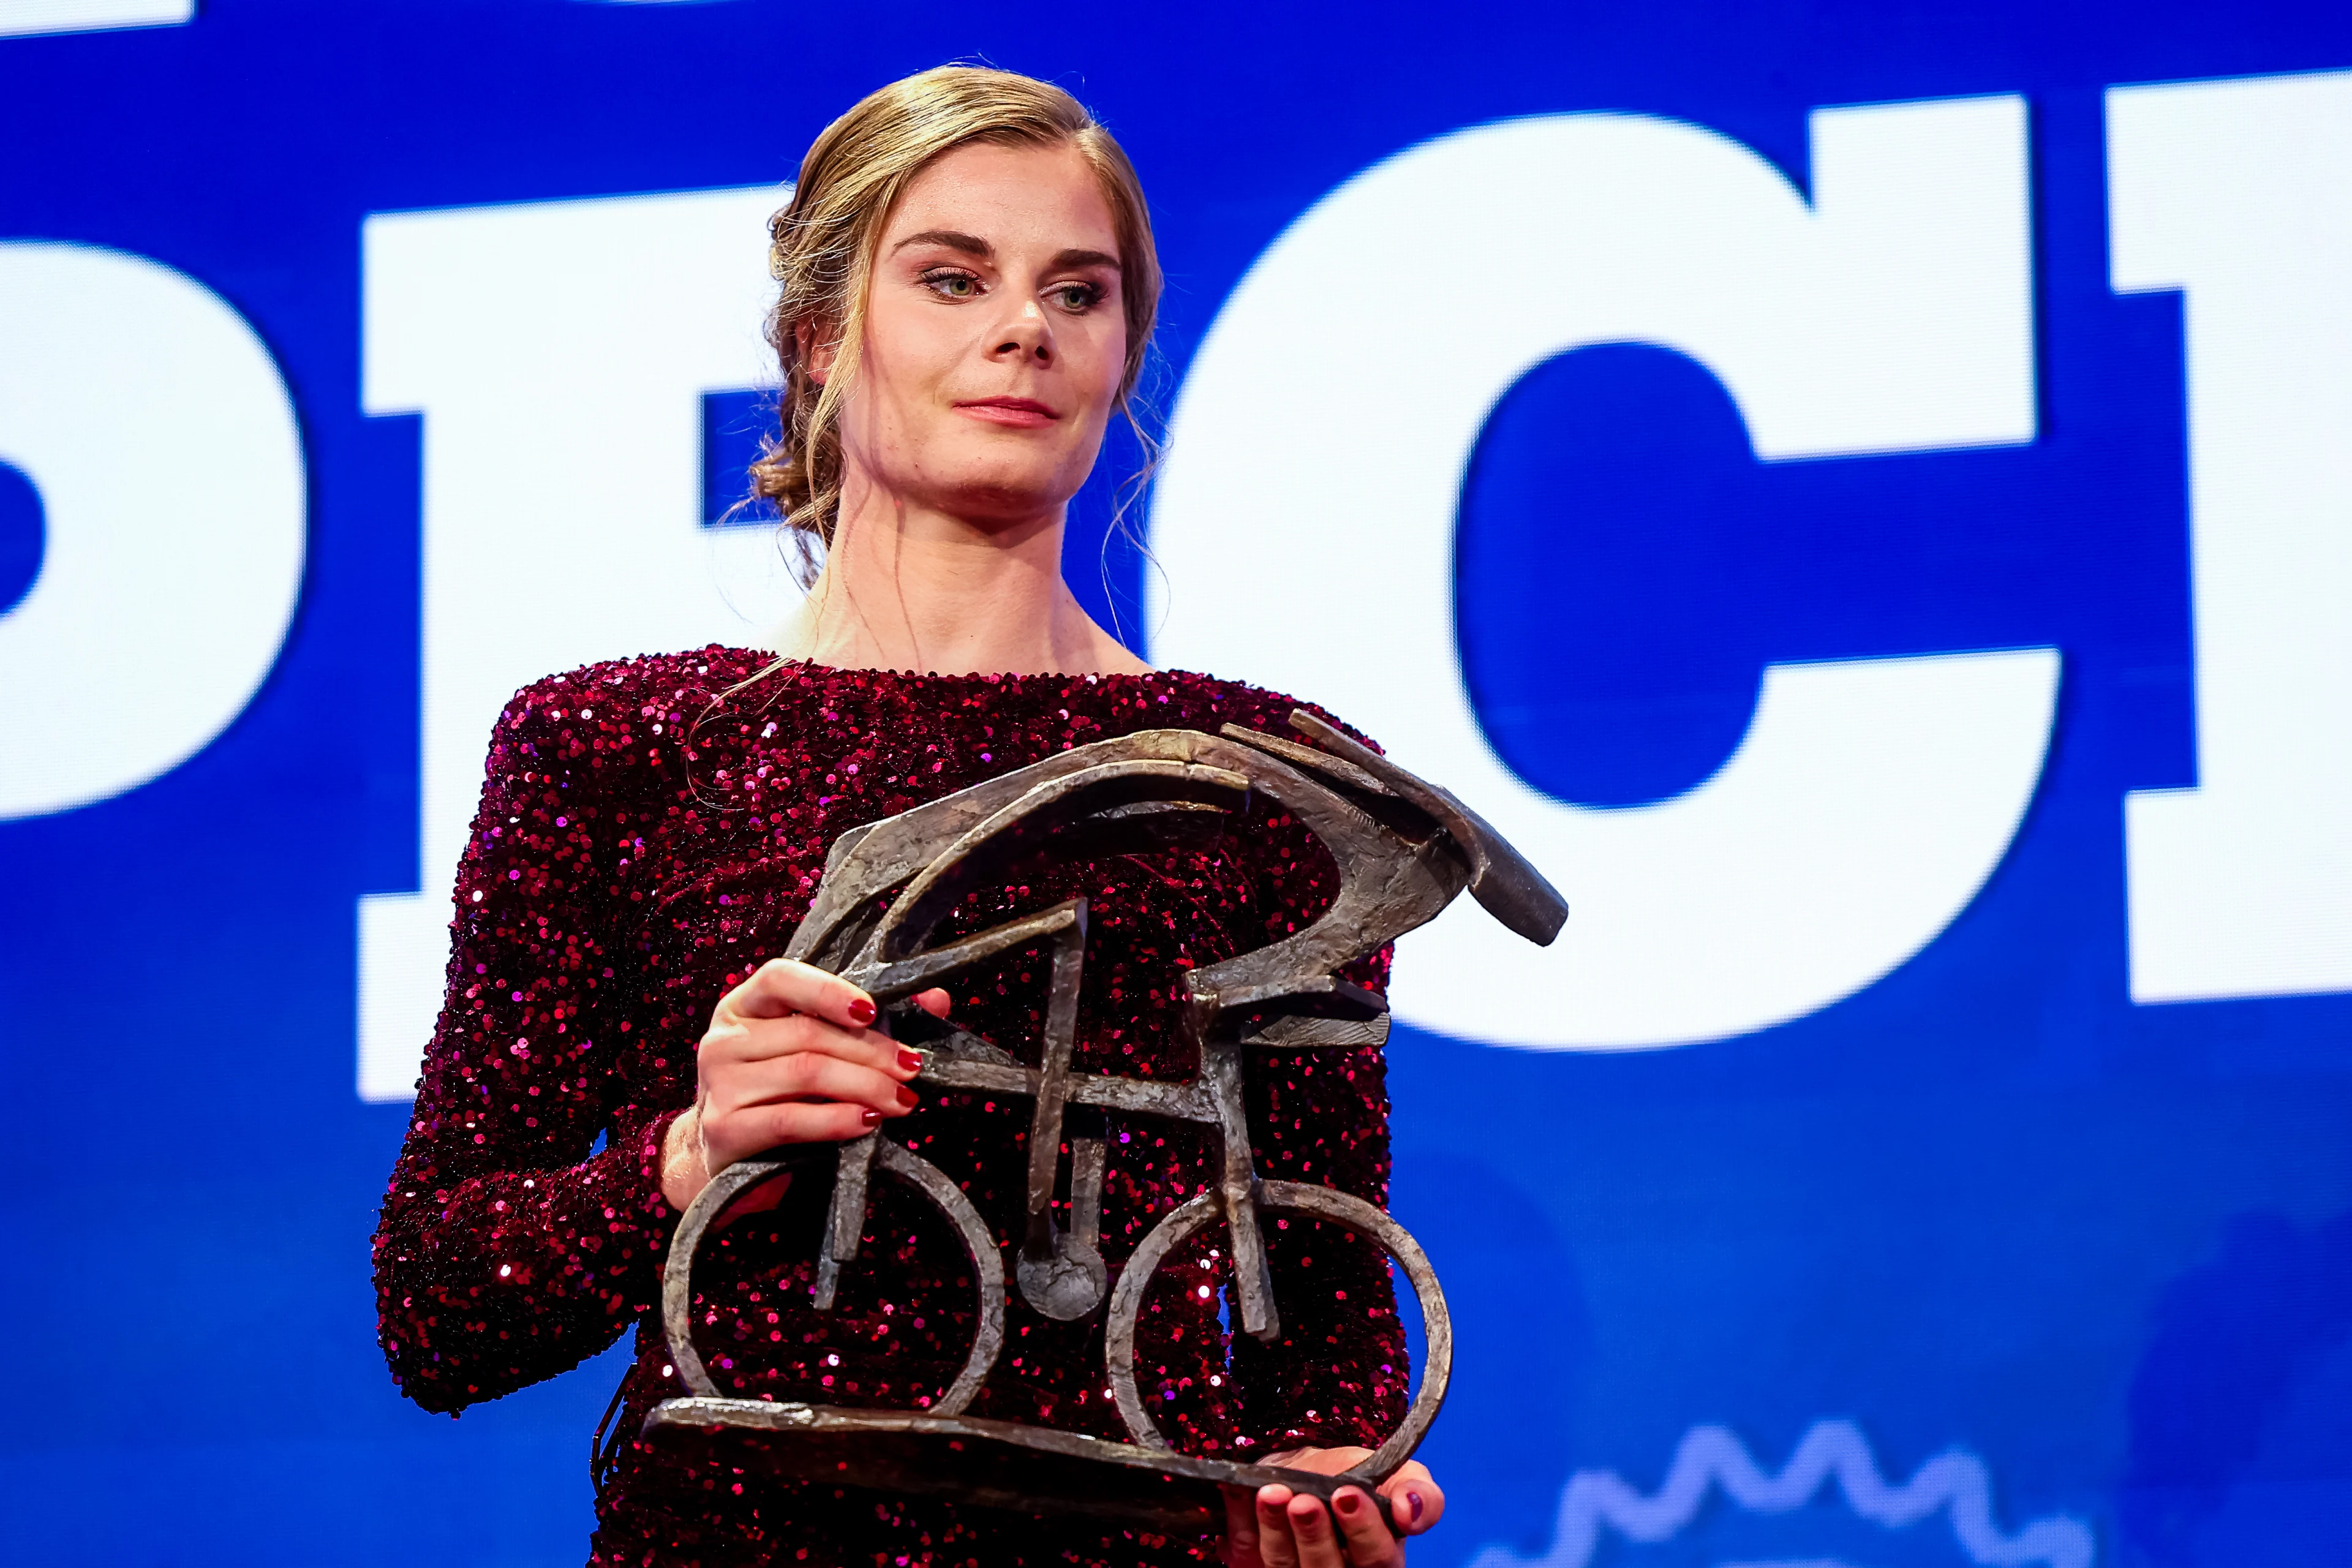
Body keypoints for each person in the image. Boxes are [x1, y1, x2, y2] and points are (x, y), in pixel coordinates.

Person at [372, 65, 1445, 1568]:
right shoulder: (618, 747)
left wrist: (1332, 1485)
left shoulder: (1266, 779)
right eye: (953, 278)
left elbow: (1327, 1332)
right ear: (821, 342)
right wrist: (690, 1152)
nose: (1025, 328)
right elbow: (439, 1309)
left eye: (1079, 293)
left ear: (1123, 353)